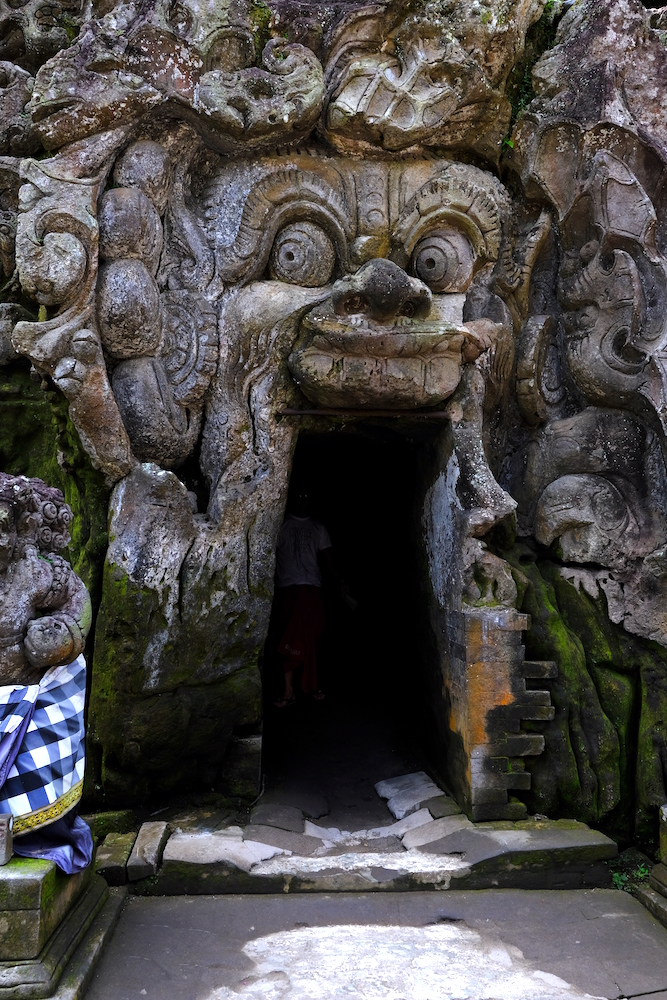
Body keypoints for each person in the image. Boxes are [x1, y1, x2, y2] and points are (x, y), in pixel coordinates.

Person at [273, 489, 338, 707]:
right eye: (299, 496)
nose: (303, 500)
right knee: (288, 638)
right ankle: (288, 690)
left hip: (312, 587)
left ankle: (312, 685)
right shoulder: (281, 525)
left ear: (312, 501)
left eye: (307, 497)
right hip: (288, 587)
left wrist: (340, 582)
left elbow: (328, 559)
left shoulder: (318, 528)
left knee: (313, 638)